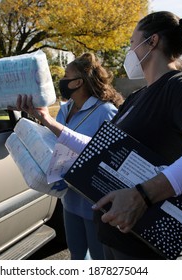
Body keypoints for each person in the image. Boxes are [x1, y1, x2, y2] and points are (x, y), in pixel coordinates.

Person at [16, 11, 182, 259]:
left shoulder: (179, 86)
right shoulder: (138, 96)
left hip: (144, 246)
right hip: (115, 236)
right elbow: (100, 148)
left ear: (151, 42)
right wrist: (45, 119)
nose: (129, 51)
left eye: (132, 43)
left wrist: (142, 194)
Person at [52, 53, 123, 260]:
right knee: (76, 255)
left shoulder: (106, 112)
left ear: (78, 82)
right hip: (69, 200)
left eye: (66, 76)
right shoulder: (64, 110)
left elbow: (113, 157)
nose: (62, 80)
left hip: (94, 205)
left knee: (98, 259)